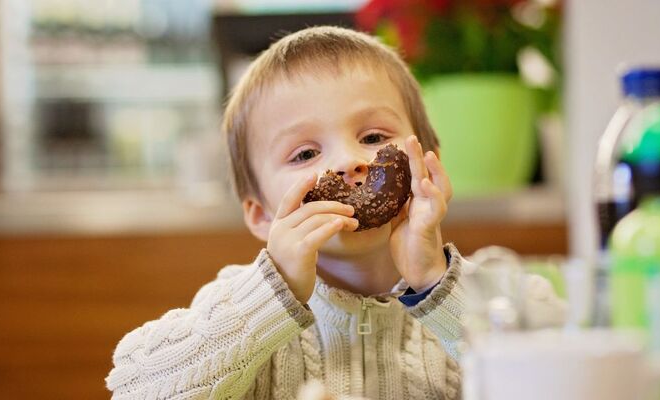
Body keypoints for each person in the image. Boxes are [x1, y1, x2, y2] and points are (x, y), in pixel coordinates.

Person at [106, 26, 565, 400]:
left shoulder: (494, 295)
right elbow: (135, 388)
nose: (348, 161)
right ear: (261, 214)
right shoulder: (239, 307)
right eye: (305, 154)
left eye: (372, 137)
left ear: (428, 164)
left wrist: (436, 283)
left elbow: (570, 381)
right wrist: (272, 293)